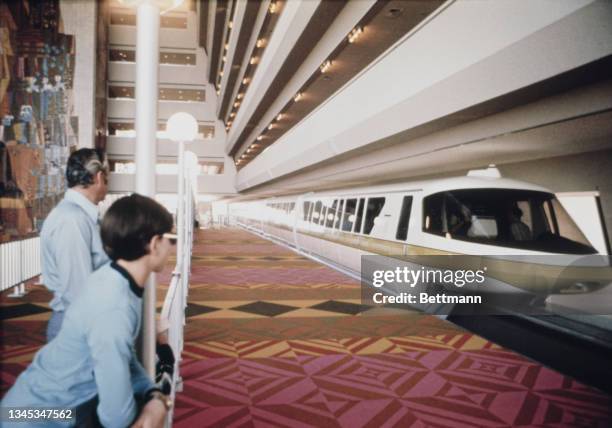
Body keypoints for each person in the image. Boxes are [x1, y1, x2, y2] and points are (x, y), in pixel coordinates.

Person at [1, 194, 175, 427]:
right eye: (171, 239)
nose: (172, 247)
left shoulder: (113, 277)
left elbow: (125, 358)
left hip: (33, 408)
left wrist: (152, 394)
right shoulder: (114, 306)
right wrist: (158, 404)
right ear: (154, 244)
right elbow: (116, 417)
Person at [41, 148, 110, 341]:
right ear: (98, 177)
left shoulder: (79, 217)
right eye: (107, 179)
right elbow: (77, 291)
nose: (107, 187)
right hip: (77, 329)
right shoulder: (73, 220)